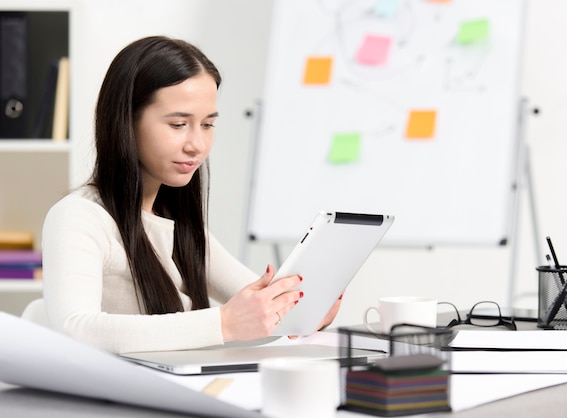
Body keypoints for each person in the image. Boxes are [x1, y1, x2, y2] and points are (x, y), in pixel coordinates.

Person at [41, 36, 342, 354]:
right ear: (125, 121)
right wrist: (224, 323)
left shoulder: (175, 221)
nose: (197, 145)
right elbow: (75, 329)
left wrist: (301, 310)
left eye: (208, 124)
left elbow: (257, 308)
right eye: (179, 124)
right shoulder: (79, 217)